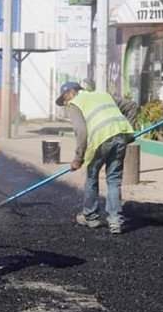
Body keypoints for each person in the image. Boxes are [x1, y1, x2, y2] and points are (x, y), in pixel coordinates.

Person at [56, 81, 138, 234]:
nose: (66, 103)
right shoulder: (103, 94)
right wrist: (129, 133)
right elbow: (132, 105)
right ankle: (115, 222)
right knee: (114, 180)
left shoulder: (75, 104)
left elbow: (81, 132)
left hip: (101, 139)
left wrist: (78, 159)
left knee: (91, 175)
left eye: (65, 99)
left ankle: (91, 216)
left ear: (71, 93)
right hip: (120, 135)